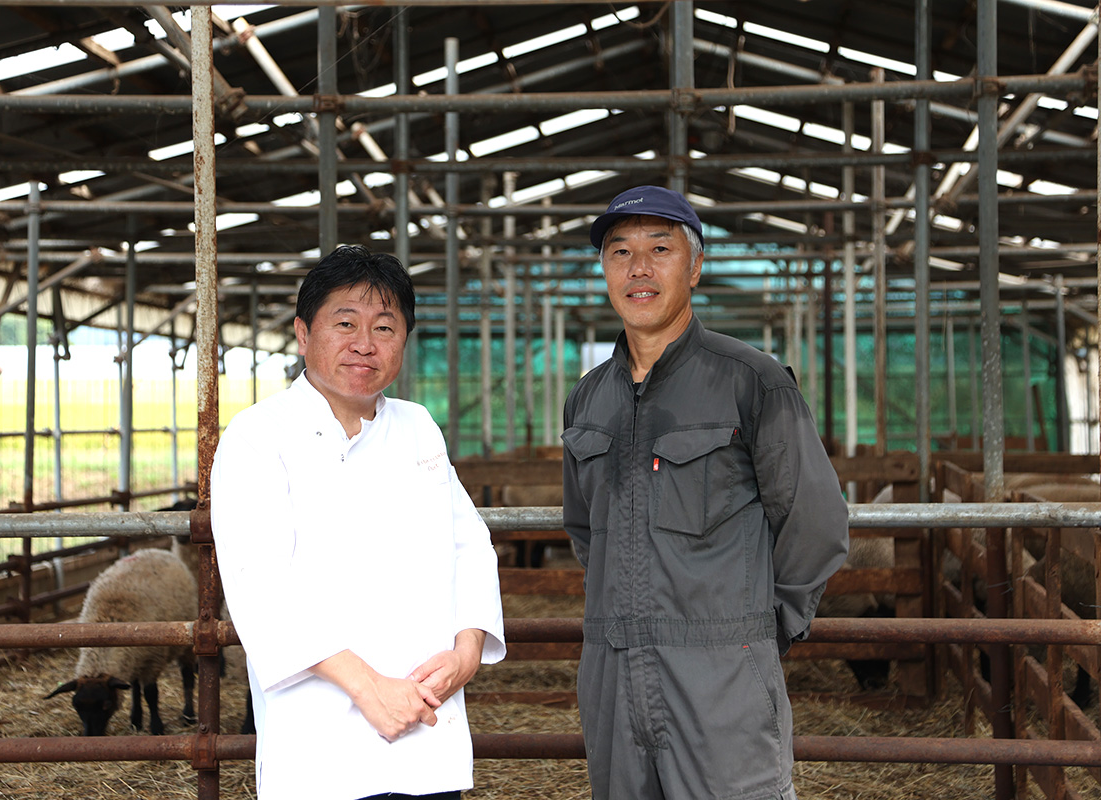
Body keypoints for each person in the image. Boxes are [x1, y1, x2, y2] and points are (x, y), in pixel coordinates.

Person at [562, 185, 849, 800]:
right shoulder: (588, 399)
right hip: (613, 677)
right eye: (619, 252)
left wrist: (759, 635)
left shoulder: (754, 381)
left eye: (659, 249)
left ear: (695, 265)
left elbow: (815, 520)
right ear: (604, 269)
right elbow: (586, 530)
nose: (638, 269)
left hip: (723, 676)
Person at [210, 244, 506, 800]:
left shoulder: (418, 427)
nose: (364, 345)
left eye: (385, 328)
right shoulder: (257, 437)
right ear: (303, 333)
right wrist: (370, 690)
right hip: (325, 747)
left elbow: (471, 546)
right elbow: (259, 586)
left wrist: (466, 655)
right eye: (345, 323)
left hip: (428, 735)